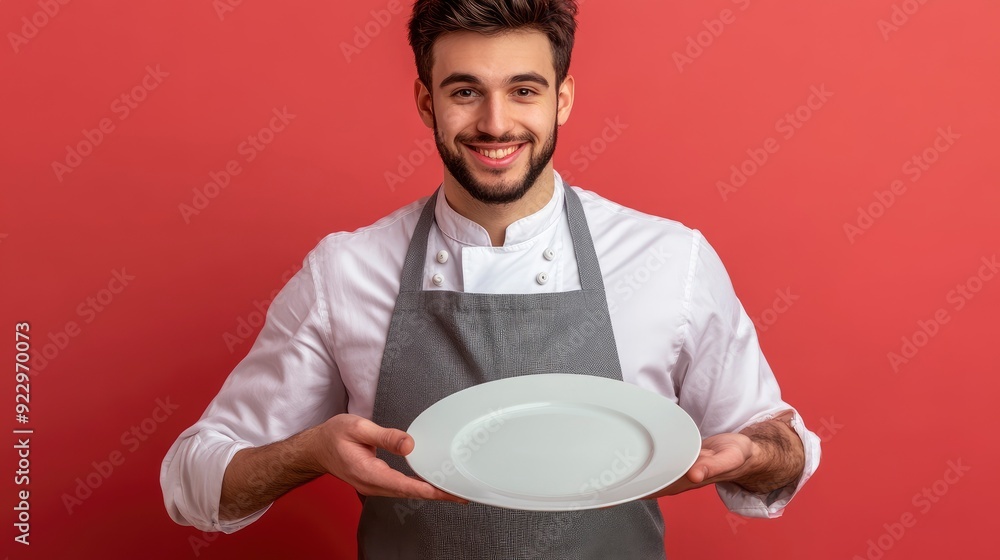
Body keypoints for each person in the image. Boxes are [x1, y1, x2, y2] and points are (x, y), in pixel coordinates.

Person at [161, 1, 821, 557]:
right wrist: (309, 452)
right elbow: (192, 483)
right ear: (426, 101)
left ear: (563, 98)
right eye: (465, 90)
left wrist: (759, 454)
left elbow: (783, 448)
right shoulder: (347, 270)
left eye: (524, 90)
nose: (496, 124)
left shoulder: (668, 259)